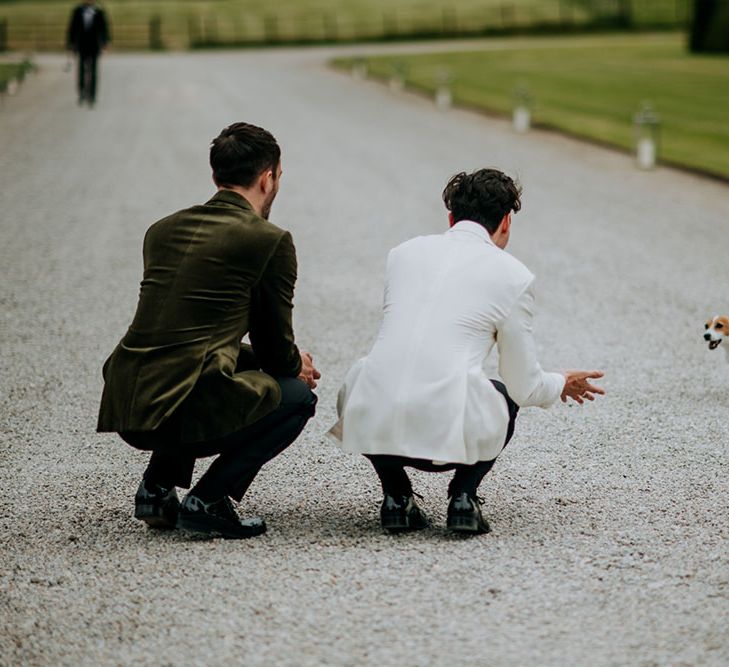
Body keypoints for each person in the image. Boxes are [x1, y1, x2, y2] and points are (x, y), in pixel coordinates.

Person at [330, 169, 604, 535]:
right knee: (504, 395)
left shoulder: (402, 254)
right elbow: (523, 385)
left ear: (451, 218)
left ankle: (395, 496)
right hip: (447, 437)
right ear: (506, 222)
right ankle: (463, 496)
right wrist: (559, 383)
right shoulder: (513, 275)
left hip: (374, 424)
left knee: (374, 373)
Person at [98, 122, 320, 539]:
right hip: (179, 405)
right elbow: (274, 349)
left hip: (129, 400)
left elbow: (189, 335)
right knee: (295, 396)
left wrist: (287, 361)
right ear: (268, 177)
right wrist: (297, 366)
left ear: (215, 175)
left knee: (197, 367)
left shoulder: (162, 230)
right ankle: (209, 500)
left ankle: (156, 490)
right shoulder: (268, 240)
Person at [66, 0, 110, 106]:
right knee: (81, 70)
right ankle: (82, 93)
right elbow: (72, 28)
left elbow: (104, 29)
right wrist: (71, 44)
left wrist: (104, 44)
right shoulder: (77, 11)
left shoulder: (99, 11)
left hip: (94, 46)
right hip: (81, 45)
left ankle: (92, 95)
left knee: (94, 71)